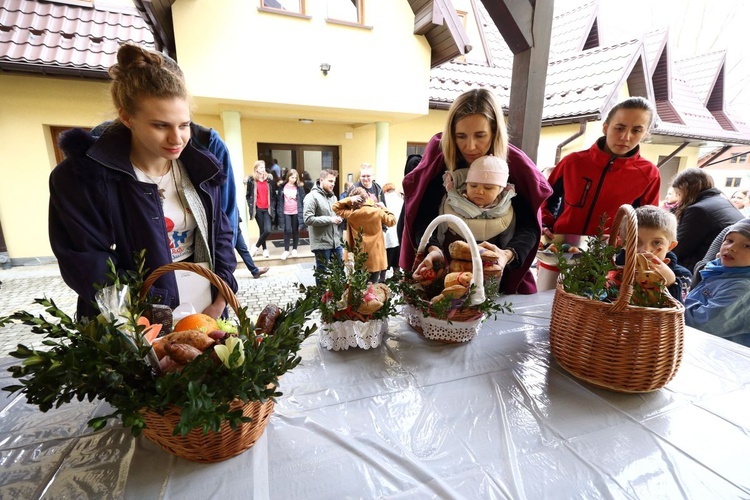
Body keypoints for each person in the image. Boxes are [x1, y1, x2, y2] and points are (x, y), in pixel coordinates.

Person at [49, 43, 237, 319]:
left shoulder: (200, 168)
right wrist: (144, 323)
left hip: (203, 306)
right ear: (127, 117)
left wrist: (220, 301)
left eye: (184, 125)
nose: (177, 139)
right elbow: (88, 262)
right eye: (160, 126)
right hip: (129, 318)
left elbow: (220, 233)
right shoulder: (83, 178)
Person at [400, 88, 552, 294]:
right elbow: (423, 217)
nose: (470, 146)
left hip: (495, 279)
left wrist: (506, 255)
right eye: (460, 136)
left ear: (495, 132)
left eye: (480, 135)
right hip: (443, 275)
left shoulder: (514, 168)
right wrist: (433, 248)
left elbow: (529, 226)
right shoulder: (437, 164)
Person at [539, 96, 661, 290]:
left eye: (636, 130)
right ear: (605, 127)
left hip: (605, 260)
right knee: (542, 309)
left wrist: (621, 241)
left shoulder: (649, 174)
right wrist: (545, 224)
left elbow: (646, 223)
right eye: (619, 127)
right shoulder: (573, 162)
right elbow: (546, 198)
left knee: (587, 315)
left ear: (645, 133)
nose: (625, 137)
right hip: (558, 252)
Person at [684, 219, 750, 347]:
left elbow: (700, 324)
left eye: (747, 246)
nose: (732, 248)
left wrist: (673, 291)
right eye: (730, 240)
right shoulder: (720, 269)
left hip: (720, 358)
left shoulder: (742, 289)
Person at [670, 168, 743, 273]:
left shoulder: (698, 210)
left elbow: (677, 248)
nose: (679, 199)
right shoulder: (722, 201)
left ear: (685, 189)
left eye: (679, 193)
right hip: (731, 262)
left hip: (706, 267)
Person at [437, 154, 516, 249]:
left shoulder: (506, 209)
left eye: (488, 188)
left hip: (489, 259)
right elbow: (439, 231)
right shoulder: (450, 202)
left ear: (500, 190)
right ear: (466, 185)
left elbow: (508, 240)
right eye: (473, 185)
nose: (479, 191)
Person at [624, 206, 692, 303]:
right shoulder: (612, 265)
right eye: (636, 241)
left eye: (656, 243)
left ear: (670, 246)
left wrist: (671, 283)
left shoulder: (682, 275)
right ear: (622, 243)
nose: (645, 250)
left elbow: (678, 314)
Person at [334, 187, 396, 283]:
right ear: (367, 197)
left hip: (359, 255)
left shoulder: (351, 214)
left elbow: (335, 207)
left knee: (360, 287)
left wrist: (349, 200)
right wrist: (384, 208)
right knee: (372, 287)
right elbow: (392, 221)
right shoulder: (377, 211)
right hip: (376, 256)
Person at [303, 169, 344, 284]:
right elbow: (308, 219)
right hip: (321, 243)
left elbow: (336, 215)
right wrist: (330, 219)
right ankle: (321, 299)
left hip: (336, 242)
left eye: (334, 182)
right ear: (321, 180)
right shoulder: (311, 197)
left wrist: (340, 218)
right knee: (322, 274)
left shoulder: (333, 197)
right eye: (330, 181)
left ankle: (339, 299)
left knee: (340, 272)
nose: (333, 184)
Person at [246, 160, 276, 258]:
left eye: (264, 167)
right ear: (256, 169)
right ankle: (265, 250)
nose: (263, 169)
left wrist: (273, 205)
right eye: (261, 167)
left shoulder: (269, 179)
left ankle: (255, 247)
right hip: (258, 209)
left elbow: (273, 195)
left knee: (267, 230)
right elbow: (248, 195)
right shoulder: (252, 181)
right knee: (262, 229)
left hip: (267, 209)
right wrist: (250, 205)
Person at [276, 168, 306, 260]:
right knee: (287, 230)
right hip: (286, 211)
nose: (294, 179)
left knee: (295, 230)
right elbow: (279, 200)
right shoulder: (282, 186)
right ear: (288, 177)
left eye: (295, 178)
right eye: (292, 177)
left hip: (296, 211)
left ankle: (294, 249)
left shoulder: (299, 187)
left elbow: (303, 199)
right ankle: (286, 250)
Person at [234, 213, 269, 278]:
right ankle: (225, 276)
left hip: (236, 227)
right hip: (228, 229)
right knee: (228, 253)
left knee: (244, 250)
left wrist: (238, 217)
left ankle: (255, 271)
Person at [382, 182, 404, 274]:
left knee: (385, 264)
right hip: (398, 235)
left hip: (387, 235)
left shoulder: (384, 201)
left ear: (385, 191)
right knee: (397, 262)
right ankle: (397, 276)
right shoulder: (400, 200)